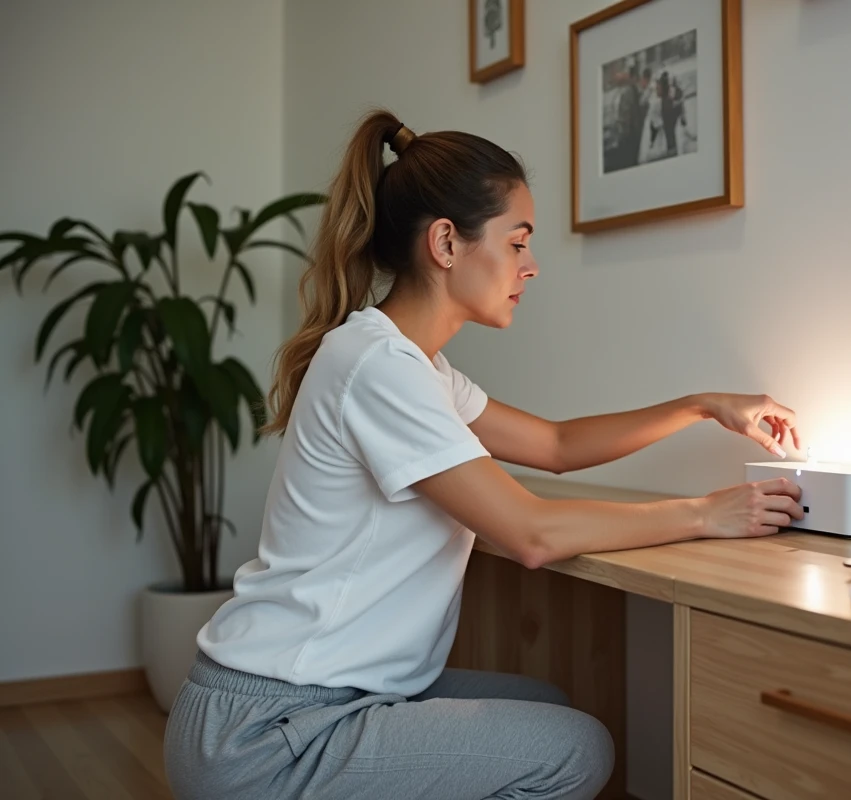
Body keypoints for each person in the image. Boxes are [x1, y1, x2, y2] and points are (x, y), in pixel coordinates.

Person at [163, 108, 804, 800]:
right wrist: (706, 513)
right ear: (446, 242)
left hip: (311, 702)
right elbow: (531, 533)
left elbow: (555, 446)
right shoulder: (376, 365)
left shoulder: (418, 368)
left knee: (548, 707)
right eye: (517, 243)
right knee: (574, 747)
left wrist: (703, 405)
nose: (530, 267)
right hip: (270, 733)